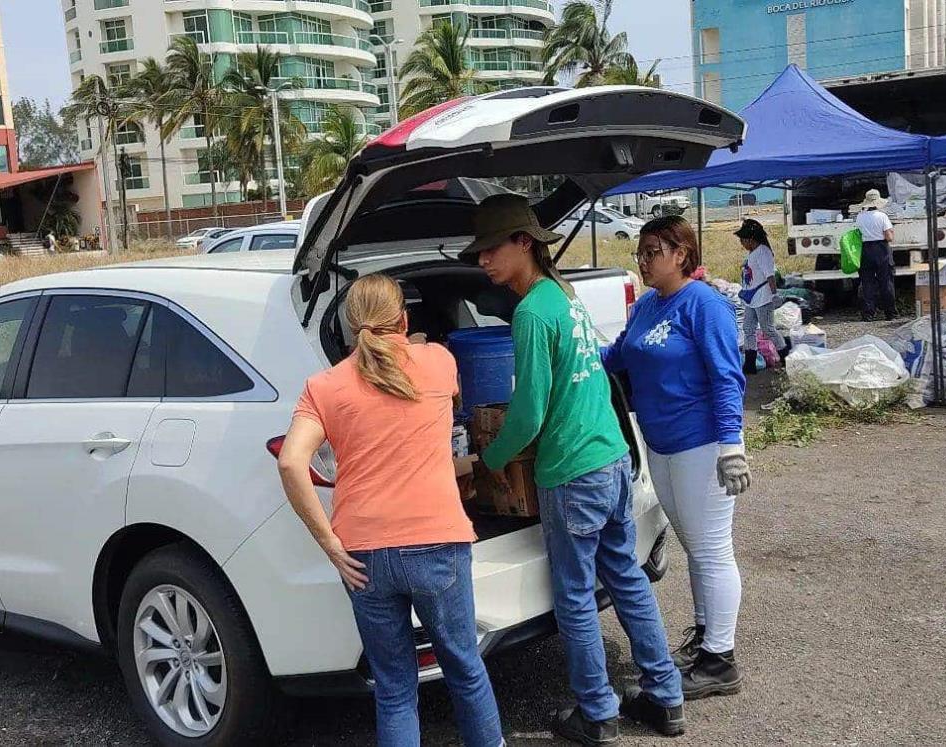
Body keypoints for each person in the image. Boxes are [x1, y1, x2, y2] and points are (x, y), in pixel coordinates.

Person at [464, 194, 686, 744]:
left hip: (571, 471)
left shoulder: (532, 312)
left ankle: (596, 712)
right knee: (627, 578)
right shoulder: (564, 298)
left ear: (524, 243)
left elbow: (529, 414)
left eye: (492, 248)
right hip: (610, 458)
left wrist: (484, 462)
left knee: (575, 595)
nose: (483, 261)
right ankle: (665, 696)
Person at [277, 274, 503, 747]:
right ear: (403, 317)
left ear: (348, 326)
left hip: (362, 553)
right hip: (437, 542)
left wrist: (328, 543)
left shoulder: (323, 387)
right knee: (464, 668)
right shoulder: (438, 362)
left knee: (396, 689)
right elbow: (452, 397)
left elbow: (291, 462)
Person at [602, 215, 750, 701]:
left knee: (711, 548)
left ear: (681, 254)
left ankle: (719, 661)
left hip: (702, 444)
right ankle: (706, 638)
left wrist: (732, 445)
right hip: (660, 446)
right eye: (640, 253)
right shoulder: (648, 305)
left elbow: (727, 376)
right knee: (694, 546)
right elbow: (616, 358)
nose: (642, 261)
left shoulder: (703, 305)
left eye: (652, 252)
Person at [736, 218, 788, 374]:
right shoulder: (753, 253)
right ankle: (750, 363)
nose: (742, 244)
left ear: (751, 239)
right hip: (752, 299)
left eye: (743, 240)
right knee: (748, 328)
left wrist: (774, 295)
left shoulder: (763, 253)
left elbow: (770, 276)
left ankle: (785, 355)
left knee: (768, 328)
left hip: (763, 298)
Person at [856, 188, 897, 321]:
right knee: (886, 282)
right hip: (881, 249)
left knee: (867, 282)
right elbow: (889, 237)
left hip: (865, 249)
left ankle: (868, 313)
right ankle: (890, 313)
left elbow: (858, 233)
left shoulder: (860, 216)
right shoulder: (882, 216)